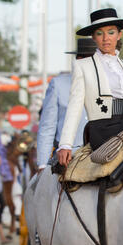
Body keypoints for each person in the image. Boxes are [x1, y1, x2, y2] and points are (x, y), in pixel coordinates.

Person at [57, 8, 123, 167]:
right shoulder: (82, 66)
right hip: (104, 128)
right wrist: (65, 144)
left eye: (111, 32)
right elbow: (75, 106)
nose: (106, 38)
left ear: (119, 35)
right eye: (100, 33)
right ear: (93, 37)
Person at [37, 38, 97, 173]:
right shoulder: (58, 85)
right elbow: (47, 126)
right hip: (67, 158)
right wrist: (42, 164)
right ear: (78, 60)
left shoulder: (107, 85)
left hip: (99, 155)